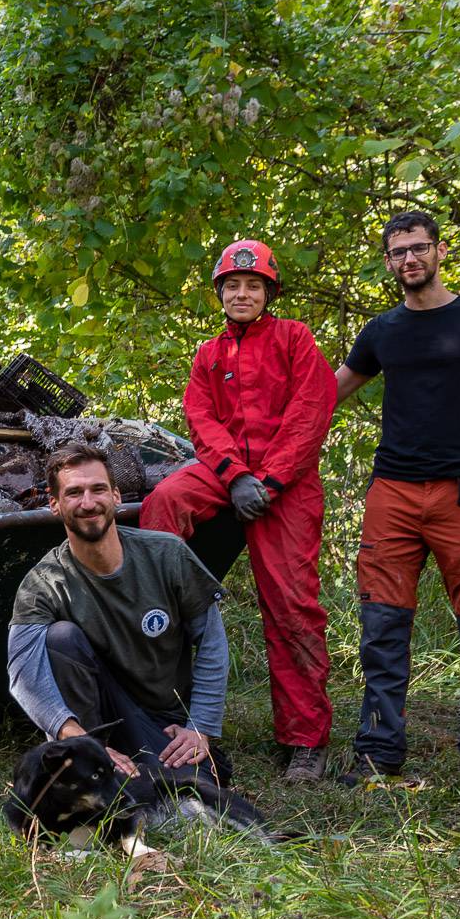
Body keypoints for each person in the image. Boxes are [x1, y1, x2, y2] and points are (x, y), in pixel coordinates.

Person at [334, 209, 460, 782]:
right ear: (389, 261)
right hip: (392, 494)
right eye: (398, 252)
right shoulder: (381, 331)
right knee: (382, 628)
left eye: (419, 248)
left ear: (440, 251)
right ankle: (378, 751)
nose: (409, 260)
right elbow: (328, 394)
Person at [138, 240, 337, 781]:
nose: (242, 293)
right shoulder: (210, 354)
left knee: (293, 607)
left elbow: (310, 414)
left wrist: (267, 480)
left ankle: (306, 739)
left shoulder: (295, 339)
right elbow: (200, 419)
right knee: (163, 501)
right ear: (220, 293)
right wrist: (237, 475)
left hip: (287, 485)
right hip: (228, 474)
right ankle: (161, 613)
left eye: (253, 285)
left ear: (269, 291)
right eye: (232, 285)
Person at [7, 444, 235, 783]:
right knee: (59, 638)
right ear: (54, 505)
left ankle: (144, 765)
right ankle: (90, 761)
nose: (88, 503)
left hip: (164, 716)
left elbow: (213, 645)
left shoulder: (166, 555)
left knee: (191, 790)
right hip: (93, 723)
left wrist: (199, 726)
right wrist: (73, 735)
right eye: (73, 493)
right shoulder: (44, 582)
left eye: (98, 489)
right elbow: (23, 671)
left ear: (116, 496)